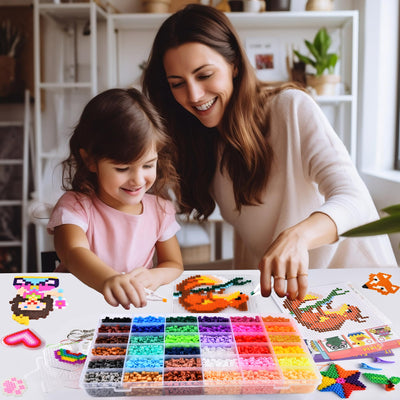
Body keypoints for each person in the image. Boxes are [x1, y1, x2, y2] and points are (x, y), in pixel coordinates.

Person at [142, 4, 397, 301]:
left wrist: (298, 236)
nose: (194, 95)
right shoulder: (202, 141)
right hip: (293, 299)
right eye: (178, 84)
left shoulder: (290, 109)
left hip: (360, 291)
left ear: (234, 64)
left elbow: (355, 200)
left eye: (204, 74)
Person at [47, 88, 184, 309]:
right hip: (76, 309)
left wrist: (156, 276)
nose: (138, 179)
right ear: (90, 160)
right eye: (122, 168)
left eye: (148, 165)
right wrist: (108, 279)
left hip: (131, 313)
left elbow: (174, 264)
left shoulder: (160, 210)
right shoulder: (75, 206)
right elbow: (73, 253)